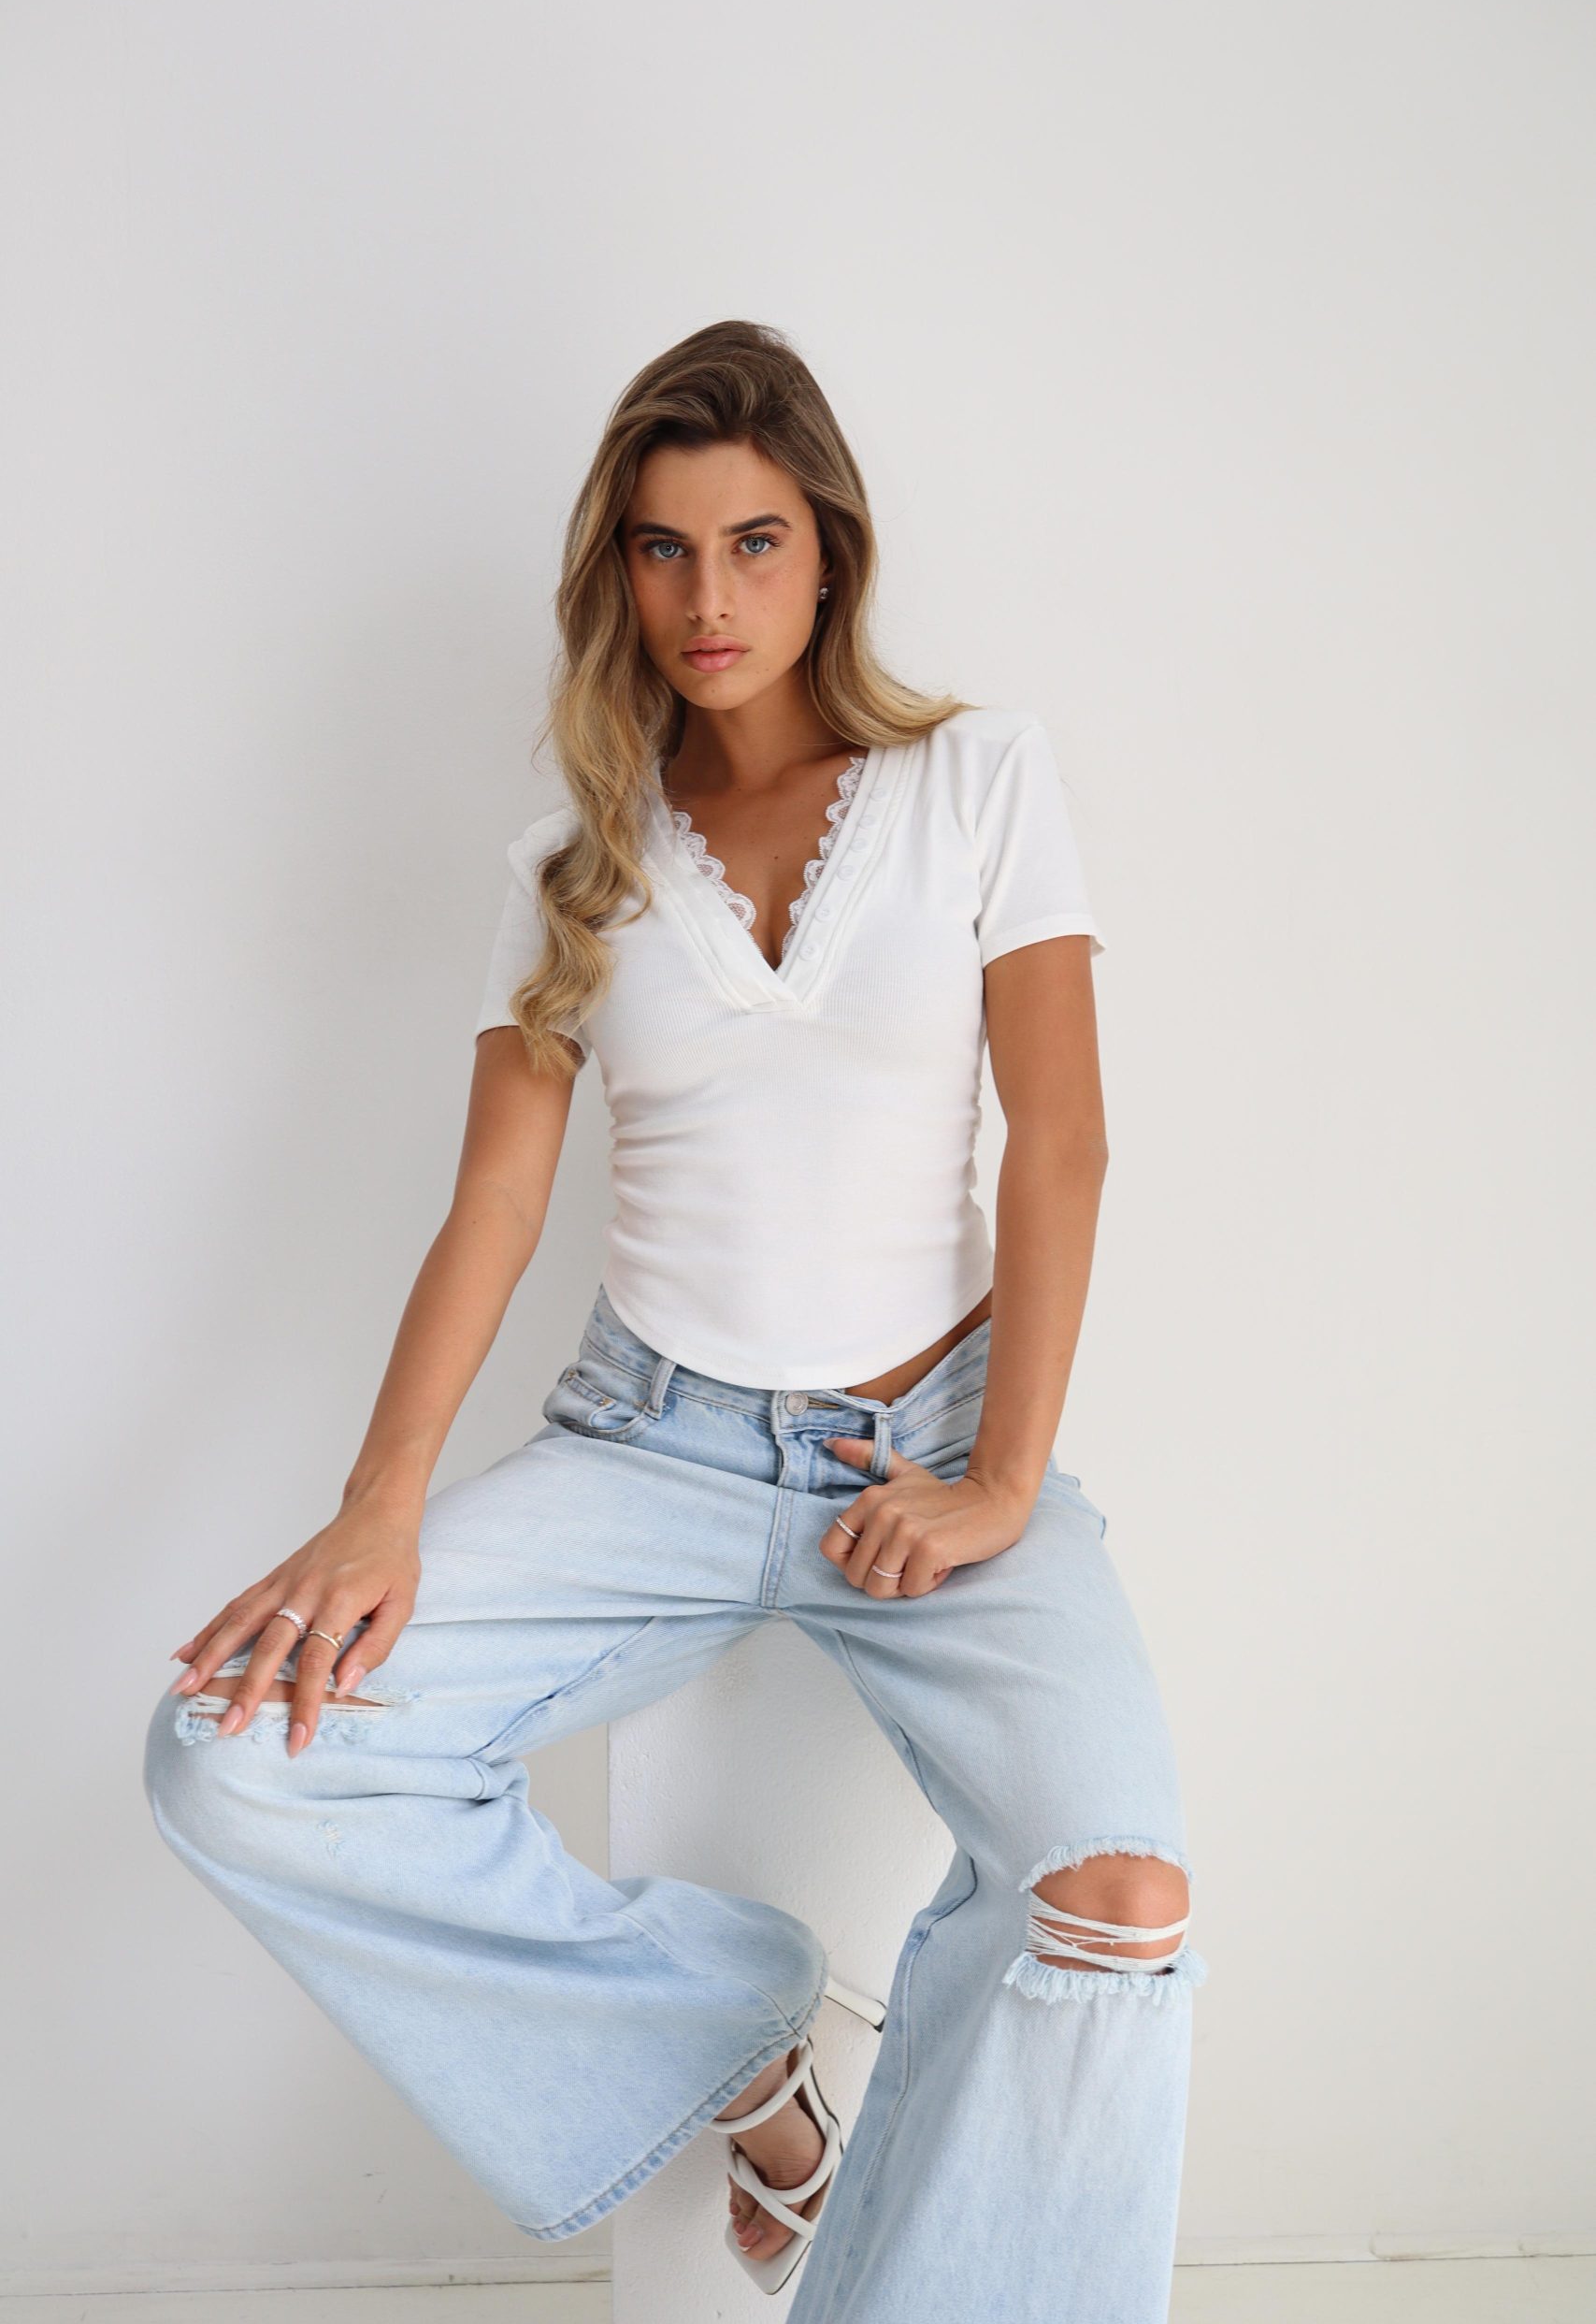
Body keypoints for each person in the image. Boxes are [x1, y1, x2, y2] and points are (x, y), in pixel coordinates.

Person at [143, 318, 1206, 2320]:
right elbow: (496, 1199)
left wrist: (997, 1481)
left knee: (1117, 1903)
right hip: (655, 1446)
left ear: (828, 554)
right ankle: (731, 2045)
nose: (707, 596)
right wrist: (380, 1502)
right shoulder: (575, 857)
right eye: (662, 548)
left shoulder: (978, 779)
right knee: (236, 1755)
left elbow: (1058, 1146)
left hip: (930, 1442)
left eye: (752, 541)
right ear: (615, 572)